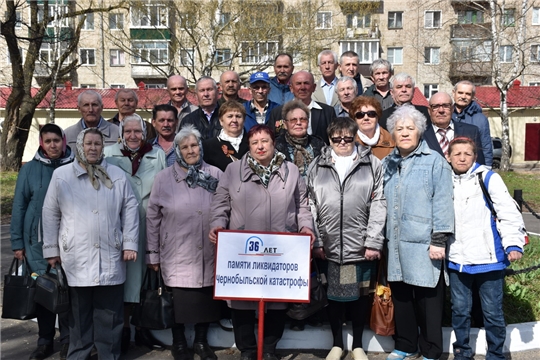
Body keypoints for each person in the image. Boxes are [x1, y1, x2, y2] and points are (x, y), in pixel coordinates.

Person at [209, 125, 314, 360]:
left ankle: (268, 350)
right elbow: (220, 202)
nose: (260, 146)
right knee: (242, 302)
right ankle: (247, 350)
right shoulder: (233, 170)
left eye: (265, 141)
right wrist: (217, 224)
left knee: (276, 301)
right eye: (255, 142)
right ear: (249, 145)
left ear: (273, 143)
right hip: (243, 249)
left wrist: (306, 227)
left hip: (280, 248)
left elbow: (302, 205)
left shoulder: (292, 170)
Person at [42, 127, 139, 360]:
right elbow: (50, 213)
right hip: (76, 256)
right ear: (79, 146)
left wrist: (130, 244)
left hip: (110, 254)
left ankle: (109, 355)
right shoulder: (62, 176)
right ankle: (79, 354)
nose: (93, 148)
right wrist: (51, 249)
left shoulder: (115, 175)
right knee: (78, 314)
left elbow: (130, 208)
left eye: (97, 144)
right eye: (88, 144)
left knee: (110, 314)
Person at [307, 117, 386, 360]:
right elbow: (309, 205)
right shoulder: (316, 166)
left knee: (358, 297)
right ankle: (337, 344)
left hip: (358, 246)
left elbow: (379, 202)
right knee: (333, 297)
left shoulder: (371, 164)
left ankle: (359, 344)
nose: (342, 142)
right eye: (336, 138)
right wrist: (317, 241)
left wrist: (373, 241)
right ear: (329, 139)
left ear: (355, 137)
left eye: (347, 138)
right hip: (328, 246)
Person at [382, 104, 454, 360]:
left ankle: (432, 350)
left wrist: (439, 240)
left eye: (409, 128)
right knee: (401, 298)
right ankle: (405, 344)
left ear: (419, 131)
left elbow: (443, 202)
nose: (404, 133)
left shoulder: (435, 162)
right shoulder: (387, 163)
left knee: (428, 300)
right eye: (399, 128)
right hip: (396, 243)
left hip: (425, 244)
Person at [146, 125, 222, 360]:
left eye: (194, 145)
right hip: (176, 250)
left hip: (209, 248)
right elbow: (152, 217)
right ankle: (178, 343)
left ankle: (201, 342)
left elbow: (226, 207)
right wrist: (153, 254)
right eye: (185, 146)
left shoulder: (216, 174)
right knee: (176, 299)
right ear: (177, 151)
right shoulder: (164, 178)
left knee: (205, 297)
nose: (191, 151)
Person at [445, 137, 525, 360]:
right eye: (457, 153)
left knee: (492, 313)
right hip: (457, 259)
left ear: (475, 156)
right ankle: (462, 353)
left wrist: (513, 243)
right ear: (448, 157)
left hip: (488, 258)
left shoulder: (488, 178)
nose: (462, 158)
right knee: (460, 311)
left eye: (467, 154)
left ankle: (496, 355)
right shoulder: (444, 180)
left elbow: (508, 211)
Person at [10, 124, 74, 360]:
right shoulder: (30, 170)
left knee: (67, 291)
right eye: (48, 141)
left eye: (56, 140)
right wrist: (17, 243)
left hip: (68, 240)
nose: (53, 145)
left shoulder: (74, 165)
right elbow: (19, 205)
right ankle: (45, 340)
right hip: (35, 242)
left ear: (64, 140)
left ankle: (68, 340)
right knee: (44, 292)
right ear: (41, 143)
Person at [104, 114, 166, 353]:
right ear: (121, 133)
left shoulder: (157, 153)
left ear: (144, 133)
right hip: (119, 226)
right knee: (122, 281)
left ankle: (142, 330)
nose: (132, 136)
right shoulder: (110, 154)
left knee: (145, 281)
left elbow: (162, 190)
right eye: (128, 131)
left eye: (137, 131)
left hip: (149, 226)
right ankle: (123, 331)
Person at [269, 71, 337, 144]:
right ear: (291, 88)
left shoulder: (327, 112)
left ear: (314, 87)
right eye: (298, 84)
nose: (302, 87)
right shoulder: (277, 112)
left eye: (306, 83)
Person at [424, 92, 485, 165]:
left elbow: (479, 164)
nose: (441, 110)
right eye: (436, 106)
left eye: (446, 106)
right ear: (429, 111)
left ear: (452, 109)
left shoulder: (471, 131)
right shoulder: (421, 134)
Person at [274, 100, 325, 179]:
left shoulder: (319, 144)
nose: (298, 123)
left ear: (308, 123)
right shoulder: (276, 146)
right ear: (285, 124)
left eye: (303, 119)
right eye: (293, 120)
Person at [452, 80, 493, 167]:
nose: (463, 96)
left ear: (473, 96)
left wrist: (487, 169)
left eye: (467, 94)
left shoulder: (480, 119)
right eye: (460, 93)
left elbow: (486, 147)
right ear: (453, 93)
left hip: (472, 167)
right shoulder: (447, 115)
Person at [203, 100, 249, 172]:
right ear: (221, 121)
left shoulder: (252, 142)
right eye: (230, 116)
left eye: (238, 116)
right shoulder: (208, 146)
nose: (234, 120)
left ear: (244, 120)